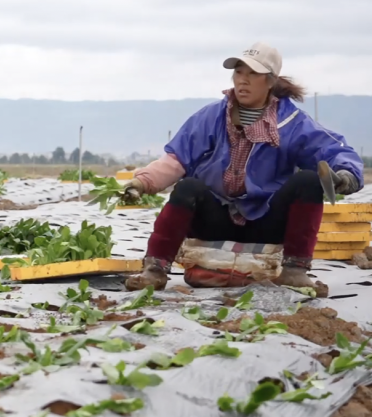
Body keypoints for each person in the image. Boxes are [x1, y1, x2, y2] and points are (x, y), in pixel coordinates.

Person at [124, 42, 363, 292]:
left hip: (266, 220)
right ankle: (155, 270)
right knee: (187, 187)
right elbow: (176, 160)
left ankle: (294, 271)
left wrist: (345, 175)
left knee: (308, 182)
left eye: (253, 74)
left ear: (270, 81)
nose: (243, 81)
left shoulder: (292, 123)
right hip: (217, 219)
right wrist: (142, 182)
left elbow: (334, 150)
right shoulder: (212, 117)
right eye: (239, 72)